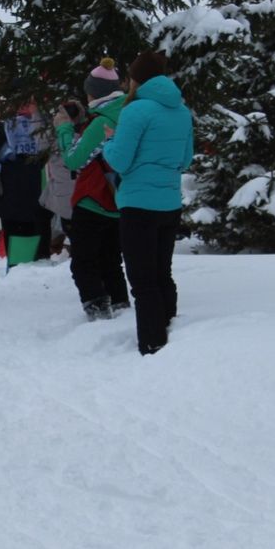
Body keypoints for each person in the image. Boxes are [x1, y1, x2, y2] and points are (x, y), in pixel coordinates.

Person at [102, 50, 193, 356]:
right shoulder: (181, 110)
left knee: (142, 282)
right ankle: (172, 335)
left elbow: (120, 161)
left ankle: (153, 346)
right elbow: (184, 160)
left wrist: (110, 142)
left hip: (138, 204)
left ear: (136, 78)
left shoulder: (135, 111)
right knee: (161, 273)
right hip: (169, 202)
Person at [56, 57, 130, 320]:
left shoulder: (102, 122)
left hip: (94, 198)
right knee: (111, 260)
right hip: (119, 199)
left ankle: (98, 312)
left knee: (84, 261)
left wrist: (64, 128)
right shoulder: (128, 111)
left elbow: (74, 159)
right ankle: (121, 308)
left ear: (95, 92)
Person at [0, 95, 54, 263]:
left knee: (13, 227)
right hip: (36, 185)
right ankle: (37, 260)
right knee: (36, 226)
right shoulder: (43, 125)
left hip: (10, 188)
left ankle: (16, 263)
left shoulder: (4, 127)